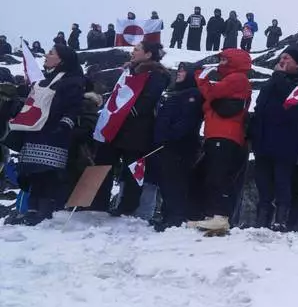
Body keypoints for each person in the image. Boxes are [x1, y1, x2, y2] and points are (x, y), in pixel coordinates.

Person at [1, 45, 85, 225]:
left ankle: (44, 211)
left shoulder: (73, 81)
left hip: (54, 133)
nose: (46, 55)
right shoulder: (46, 80)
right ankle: (32, 210)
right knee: (33, 172)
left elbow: (74, 108)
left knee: (47, 172)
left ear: (62, 60)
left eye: (51, 53)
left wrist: (64, 125)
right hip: (35, 131)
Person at [91, 41, 171, 217]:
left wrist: (130, 111)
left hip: (136, 130)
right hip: (114, 126)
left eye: (137, 49)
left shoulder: (157, 74)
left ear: (148, 54)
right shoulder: (127, 72)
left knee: (132, 168)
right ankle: (95, 202)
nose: (132, 52)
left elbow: (149, 99)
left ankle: (127, 206)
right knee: (102, 161)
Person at [248, 45, 298, 230]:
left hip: (285, 142)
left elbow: (290, 102)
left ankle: (280, 219)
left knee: (282, 182)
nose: (282, 61)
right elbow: (260, 106)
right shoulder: (272, 81)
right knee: (263, 182)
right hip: (264, 140)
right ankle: (262, 219)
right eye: (281, 57)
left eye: (287, 58)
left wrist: (278, 76)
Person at [189, 48, 252, 233]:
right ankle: (210, 214)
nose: (220, 63)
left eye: (224, 60)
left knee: (218, 175)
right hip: (219, 133)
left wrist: (201, 77)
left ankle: (220, 216)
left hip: (225, 134)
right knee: (207, 174)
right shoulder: (232, 79)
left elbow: (212, 93)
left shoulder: (237, 78)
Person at [149, 63, 204, 229]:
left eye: (183, 71)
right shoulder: (178, 93)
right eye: (179, 70)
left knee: (176, 182)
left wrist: (169, 136)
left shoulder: (193, 94)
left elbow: (187, 121)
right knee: (167, 182)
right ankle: (168, 216)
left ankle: (175, 218)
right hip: (169, 145)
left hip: (180, 146)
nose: (179, 73)